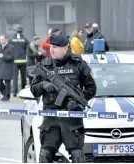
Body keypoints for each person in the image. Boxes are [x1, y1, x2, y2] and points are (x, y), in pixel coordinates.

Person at [30, 35, 97, 163]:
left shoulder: (79, 64)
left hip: (72, 118)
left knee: (78, 156)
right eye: (51, 46)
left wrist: (77, 102)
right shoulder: (45, 65)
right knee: (45, 156)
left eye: (55, 47)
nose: (52, 49)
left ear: (65, 48)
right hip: (51, 117)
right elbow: (34, 90)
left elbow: (91, 89)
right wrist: (43, 85)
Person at [9, 26, 29, 97]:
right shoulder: (25, 40)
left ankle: (14, 92)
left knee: (15, 77)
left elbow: (9, 48)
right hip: (23, 61)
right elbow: (28, 48)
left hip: (14, 61)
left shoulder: (12, 39)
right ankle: (23, 91)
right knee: (23, 77)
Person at [0, 34, 14, 101]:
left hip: (7, 66)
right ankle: (4, 93)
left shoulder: (11, 47)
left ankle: (7, 96)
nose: (1, 41)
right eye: (0, 39)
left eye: (3, 39)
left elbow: (12, 57)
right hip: (0, 67)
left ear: (6, 39)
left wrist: (3, 56)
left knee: (7, 82)